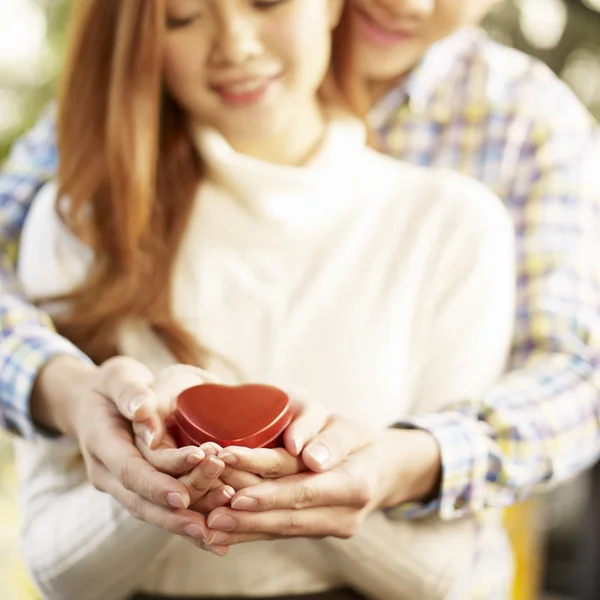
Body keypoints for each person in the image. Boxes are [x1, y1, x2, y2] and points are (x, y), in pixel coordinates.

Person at [0, 0, 598, 587]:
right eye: (182, 17)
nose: (235, 46)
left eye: (268, 3)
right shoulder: (84, 208)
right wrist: (111, 427)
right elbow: (57, 554)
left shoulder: (487, 175)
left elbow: (578, 376)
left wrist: (383, 467)